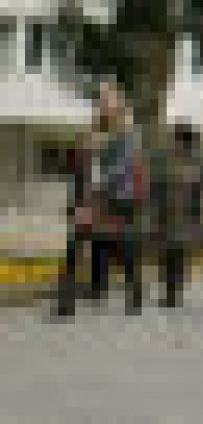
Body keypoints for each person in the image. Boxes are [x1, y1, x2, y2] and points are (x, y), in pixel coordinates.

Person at [53, 79, 146, 318]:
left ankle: (135, 292)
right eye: (101, 99)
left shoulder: (129, 132)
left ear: (118, 103)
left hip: (116, 198)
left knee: (122, 248)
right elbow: (80, 163)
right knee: (75, 244)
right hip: (89, 198)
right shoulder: (92, 131)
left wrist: (99, 179)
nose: (103, 103)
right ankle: (65, 303)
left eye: (108, 98)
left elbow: (124, 166)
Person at [155, 124, 203, 308]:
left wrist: (197, 218)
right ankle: (170, 292)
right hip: (168, 216)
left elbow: (198, 194)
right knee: (168, 255)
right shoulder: (168, 162)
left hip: (183, 217)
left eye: (177, 139)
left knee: (177, 255)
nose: (174, 143)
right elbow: (159, 188)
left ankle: (173, 293)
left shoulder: (194, 165)